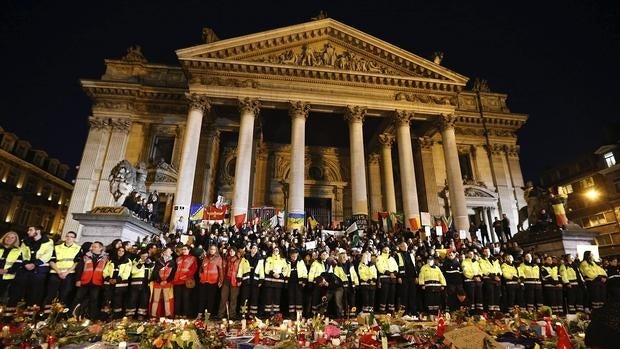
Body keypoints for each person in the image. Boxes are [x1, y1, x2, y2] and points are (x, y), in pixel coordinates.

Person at [19, 225, 54, 307]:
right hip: (26, 268)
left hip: (40, 269)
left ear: (37, 231)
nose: (28, 232)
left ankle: (32, 310)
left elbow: (48, 254)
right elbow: (23, 253)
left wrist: (35, 264)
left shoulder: (48, 241)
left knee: (35, 290)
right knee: (23, 289)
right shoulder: (26, 241)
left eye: (30, 230)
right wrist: (26, 263)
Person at [73, 241, 108, 320]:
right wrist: (78, 280)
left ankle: (91, 318)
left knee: (94, 300)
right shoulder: (86, 256)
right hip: (85, 281)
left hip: (97, 282)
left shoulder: (106, 258)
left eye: (95, 247)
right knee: (78, 298)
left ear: (101, 248)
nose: (92, 248)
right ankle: (72, 316)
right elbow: (80, 269)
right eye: (92, 247)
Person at [46, 231, 81, 306]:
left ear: (74, 239)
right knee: (51, 294)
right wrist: (59, 272)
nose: (69, 238)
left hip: (69, 274)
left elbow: (77, 262)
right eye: (67, 236)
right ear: (65, 237)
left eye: (71, 237)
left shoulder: (78, 248)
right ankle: (47, 314)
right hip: (55, 273)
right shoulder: (57, 247)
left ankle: (60, 314)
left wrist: (66, 272)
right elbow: (51, 261)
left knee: (65, 294)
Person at [102, 247, 132, 319]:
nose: (121, 252)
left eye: (122, 251)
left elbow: (126, 273)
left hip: (120, 285)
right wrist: (108, 278)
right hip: (109, 284)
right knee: (107, 301)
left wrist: (117, 280)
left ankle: (117, 318)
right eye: (119, 251)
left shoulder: (127, 261)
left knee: (117, 302)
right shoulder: (111, 260)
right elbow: (105, 271)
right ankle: (105, 317)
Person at [0, 231, 24, 316]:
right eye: (7, 237)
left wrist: (5, 271)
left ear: (15, 240)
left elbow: (17, 265)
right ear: (4, 237)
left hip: (8, 278)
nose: (9, 239)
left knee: (4, 299)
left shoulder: (18, 251)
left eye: (12, 238)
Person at [126, 248, 154, 319]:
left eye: (146, 256)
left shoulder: (150, 262)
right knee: (132, 299)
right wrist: (139, 264)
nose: (144, 258)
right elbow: (132, 271)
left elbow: (153, 272)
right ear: (140, 256)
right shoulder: (135, 261)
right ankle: (130, 315)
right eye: (143, 256)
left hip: (146, 284)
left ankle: (141, 315)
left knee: (144, 300)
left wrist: (150, 264)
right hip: (136, 283)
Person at [238, 244, 264, 318]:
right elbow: (240, 268)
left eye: (256, 248)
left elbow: (261, 270)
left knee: (254, 297)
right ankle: (243, 313)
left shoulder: (260, 259)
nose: (254, 250)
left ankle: (253, 314)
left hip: (255, 281)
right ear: (250, 249)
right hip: (246, 280)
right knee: (244, 297)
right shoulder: (245, 257)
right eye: (253, 248)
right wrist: (239, 278)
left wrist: (261, 280)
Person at [172, 244, 198, 318]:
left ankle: (185, 314)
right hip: (177, 281)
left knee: (186, 298)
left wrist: (186, 276)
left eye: (185, 249)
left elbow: (194, 269)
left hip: (186, 281)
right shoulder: (178, 259)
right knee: (177, 298)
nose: (183, 251)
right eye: (182, 249)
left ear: (189, 250)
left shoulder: (193, 258)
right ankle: (177, 314)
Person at [150, 246, 176, 318]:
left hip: (167, 283)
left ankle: (168, 314)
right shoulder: (158, 261)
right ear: (164, 252)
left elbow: (173, 273)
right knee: (156, 299)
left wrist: (167, 281)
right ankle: (153, 314)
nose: (170, 252)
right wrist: (159, 280)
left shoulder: (172, 262)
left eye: (170, 251)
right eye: (168, 251)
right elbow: (155, 271)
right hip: (158, 282)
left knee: (166, 299)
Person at [218, 247, 242, 319]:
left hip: (234, 281)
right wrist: (221, 280)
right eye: (230, 251)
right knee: (223, 298)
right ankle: (221, 315)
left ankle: (232, 315)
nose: (231, 252)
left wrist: (239, 280)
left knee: (233, 298)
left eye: (233, 251)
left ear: (235, 252)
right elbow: (222, 270)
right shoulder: (225, 259)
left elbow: (240, 271)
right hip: (226, 280)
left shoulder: (239, 260)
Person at [333, 249, 358, 317]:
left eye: (345, 257)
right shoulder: (337, 266)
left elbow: (354, 275)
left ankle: (352, 314)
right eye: (342, 257)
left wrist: (357, 283)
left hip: (351, 285)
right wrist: (340, 283)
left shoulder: (351, 265)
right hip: (343, 285)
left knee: (352, 301)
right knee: (345, 301)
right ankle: (345, 315)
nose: (344, 258)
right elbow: (335, 277)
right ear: (340, 258)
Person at [198, 245, 222, 317]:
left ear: (216, 250)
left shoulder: (218, 258)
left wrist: (220, 280)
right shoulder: (205, 257)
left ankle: (207, 315)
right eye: (211, 249)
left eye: (214, 249)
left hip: (213, 281)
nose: (212, 250)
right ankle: (200, 313)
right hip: (204, 281)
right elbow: (201, 268)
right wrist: (200, 275)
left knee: (210, 299)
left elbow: (221, 270)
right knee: (202, 298)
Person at [263, 246, 288, 315]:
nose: (275, 251)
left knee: (277, 298)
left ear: (279, 251)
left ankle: (276, 315)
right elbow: (266, 268)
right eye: (274, 250)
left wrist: (281, 275)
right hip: (269, 281)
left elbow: (286, 269)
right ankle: (268, 314)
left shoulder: (283, 260)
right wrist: (273, 273)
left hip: (278, 282)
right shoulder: (269, 258)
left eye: (277, 250)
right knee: (268, 297)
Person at [284, 248, 307, 319]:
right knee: (291, 298)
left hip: (299, 283)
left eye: (295, 255)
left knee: (299, 298)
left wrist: (304, 281)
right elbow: (284, 271)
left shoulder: (301, 262)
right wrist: (285, 281)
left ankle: (299, 315)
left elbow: (304, 272)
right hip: (290, 283)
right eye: (292, 255)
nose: (294, 257)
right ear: (290, 255)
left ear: (297, 255)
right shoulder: (287, 262)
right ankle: (291, 314)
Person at [397, 241, 418, 315]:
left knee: (412, 295)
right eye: (403, 246)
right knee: (404, 295)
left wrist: (416, 276)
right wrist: (399, 276)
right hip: (403, 278)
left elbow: (413, 266)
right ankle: (404, 312)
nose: (405, 247)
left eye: (406, 246)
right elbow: (397, 267)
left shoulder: (411, 255)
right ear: (400, 247)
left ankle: (413, 311)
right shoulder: (398, 255)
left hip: (411, 277)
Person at [375, 245, 398, 313]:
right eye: (385, 249)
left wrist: (394, 273)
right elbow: (380, 268)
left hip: (392, 278)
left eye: (387, 249)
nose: (386, 251)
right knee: (384, 294)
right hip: (384, 278)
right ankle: (382, 309)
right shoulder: (379, 258)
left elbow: (396, 267)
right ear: (382, 250)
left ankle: (391, 309)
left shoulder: (392, 258)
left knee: (392, 294)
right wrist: (389, 273)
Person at [479, 247, 502, 312]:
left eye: (488, 251)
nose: (487, 252)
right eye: (485, 251)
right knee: (490, 294)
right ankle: (491, 310)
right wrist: (493, 276)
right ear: (483, 252)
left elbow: (499, 268)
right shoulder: (481, 259)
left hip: (497, 279)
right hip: (488, 278)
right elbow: (484, 269)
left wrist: (499, 275)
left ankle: (497, 310)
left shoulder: (495, 259)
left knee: (497, 294)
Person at [461, 249, 483, 313]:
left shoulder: (476, 262)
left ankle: (479, 312)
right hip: (470, 281)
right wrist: (473, 277)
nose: (471, 255)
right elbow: (465, 272)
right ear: (467, 254)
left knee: (479, 297)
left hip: (478, 281)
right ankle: (471, 312)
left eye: (472, 254)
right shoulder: (464, 262)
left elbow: (480, 270)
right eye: (470, 254)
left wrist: (479, 276)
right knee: (471, 297)